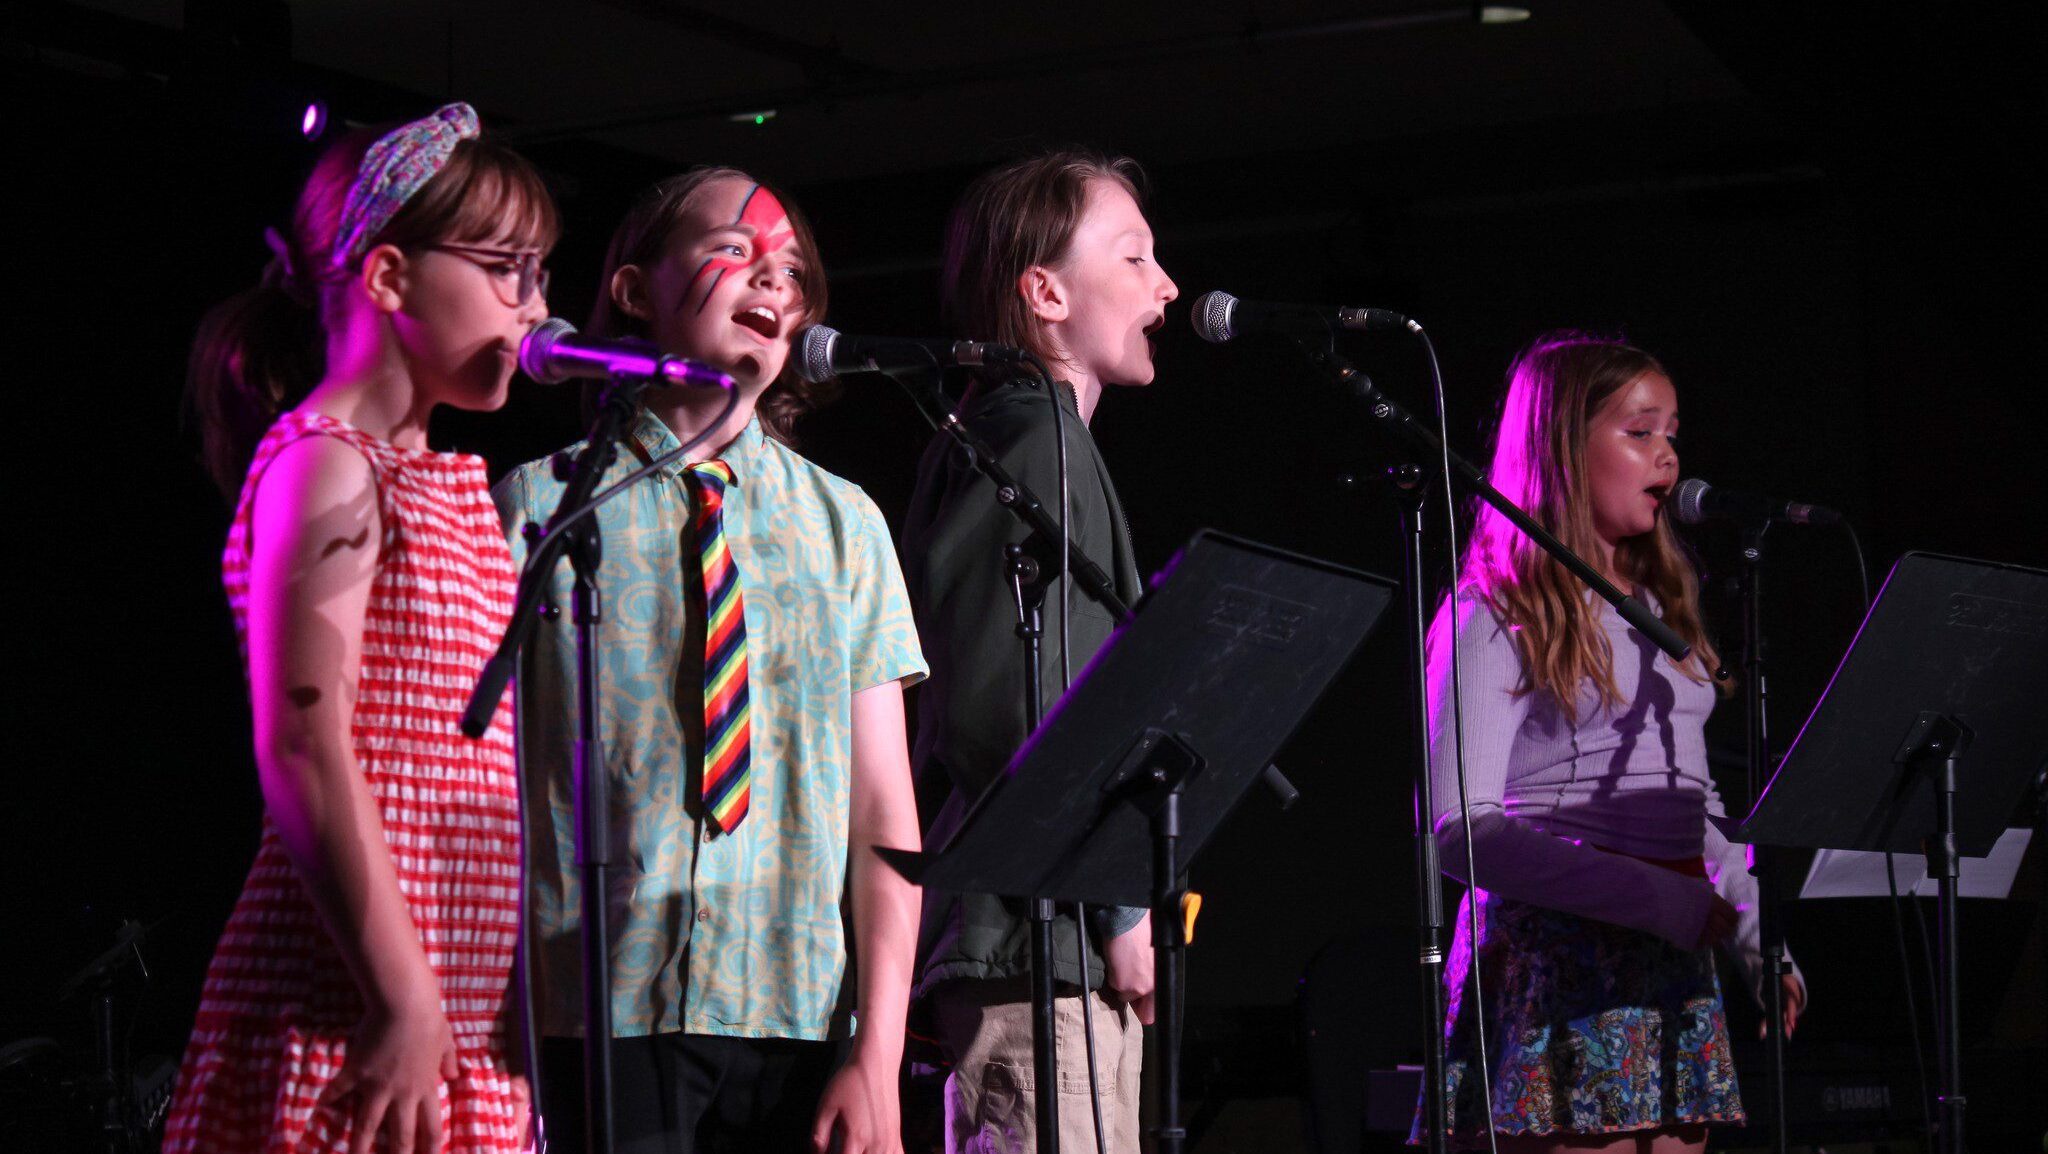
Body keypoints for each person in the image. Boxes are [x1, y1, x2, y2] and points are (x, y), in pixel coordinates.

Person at [494, 167, 927, 1154]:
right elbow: (472, 791)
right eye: (735, 250)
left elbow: (884, 814)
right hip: (601, 1006)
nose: (771, 283)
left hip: (801, 1012)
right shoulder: (536, 509)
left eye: (792, 272)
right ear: (637, 290)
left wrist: (876, 1051)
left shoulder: (844, 523)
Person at [165, 103, 559, 1154]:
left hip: (457, 1005)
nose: (536, 305)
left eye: (542, 271)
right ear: (387, 278)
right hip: (353, 1003)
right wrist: (402, 994)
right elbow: (302, 737)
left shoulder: (460, 486)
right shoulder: (324, 462)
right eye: (506, 268)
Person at [1413, 333, 1808, 1152]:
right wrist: (1661, 901)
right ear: (1560, 448)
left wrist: (1752, 936)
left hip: (1669, 965)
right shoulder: (1491, 612)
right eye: (1639, 432)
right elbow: (1461, 831)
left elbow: (1692, 805)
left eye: (1672, 434)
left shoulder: (1661, 614)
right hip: (1554, 966)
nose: (1667, 456)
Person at [900, 149, 1179, 1154]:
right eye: (1134, 255)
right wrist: (1116, 909)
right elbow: (1020, 703)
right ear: (1044, 290)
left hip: (1049, 939)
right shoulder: (1032, 438)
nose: (1165, 285)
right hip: (1034, 935)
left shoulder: (1033, 438)